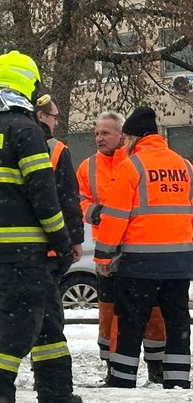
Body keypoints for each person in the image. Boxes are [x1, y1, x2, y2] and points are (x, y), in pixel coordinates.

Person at [0, 51, 78, 403]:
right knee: (14, 332)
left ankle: (58, 394)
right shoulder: (26, 130)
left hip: (3, 255)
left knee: (48, 327)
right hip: (30, 254)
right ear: (27, 85)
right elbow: (44, 194)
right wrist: (61, 240)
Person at [94, 106, 193, 389]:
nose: (123, 144)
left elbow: (114, 216)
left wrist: (103, 256)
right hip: (179, 263)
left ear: (136, 138)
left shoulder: (132, 166)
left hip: (140, 262)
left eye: (126, 139)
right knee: (177, 323)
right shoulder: (184, 166)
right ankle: (177, 381)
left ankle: (122, 380)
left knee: (130, 323)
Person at [77, 111, 165, 384]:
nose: (99, 138)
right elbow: (79, 199)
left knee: (153, 313)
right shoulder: (87, 167)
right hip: (108, 252)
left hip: (140, 250)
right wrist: (95, 212)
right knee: (109, 313)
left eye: (105, 133)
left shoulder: (137, 162)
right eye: (96, 133)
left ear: (121, 135)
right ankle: (113, 368)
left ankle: (156, 367)